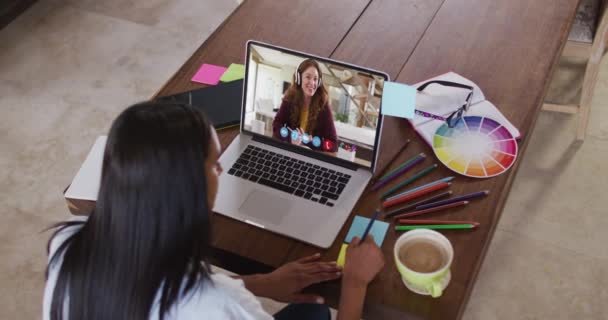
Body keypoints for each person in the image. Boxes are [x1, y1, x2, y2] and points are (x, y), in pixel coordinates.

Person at [44, 101, 385, 320]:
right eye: (213, 163)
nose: (221, 169)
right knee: (317, 313)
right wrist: (354, 284)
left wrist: (259, 283)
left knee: (311, 313)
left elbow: (159, 289)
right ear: (189, 191)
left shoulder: (67, 244)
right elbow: (205, 301)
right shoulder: (220, 309)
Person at [272, 59, 338, 153]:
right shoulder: (289, 99)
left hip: (311, 157)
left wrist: (310, 142)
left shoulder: (323, 106)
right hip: (290, 152)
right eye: (308, 77)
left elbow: (334, 145)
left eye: (315, 79)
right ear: (299, 78)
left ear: (319, 82)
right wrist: (290, 138)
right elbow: (276, 125)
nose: (312, 83)